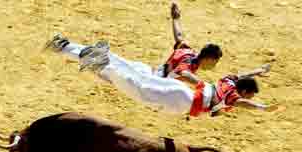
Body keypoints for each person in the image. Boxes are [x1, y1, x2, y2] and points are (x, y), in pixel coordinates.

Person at [44, 34, 279, 117]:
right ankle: (86, 55)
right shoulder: (233, 95)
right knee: (129, 83)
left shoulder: (228, 80)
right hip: (180, 99)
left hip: (177, 91)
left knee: (123, 73)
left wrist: (259, 71)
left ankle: (68, 46)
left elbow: (241, 75)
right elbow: (242, 102)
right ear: (245, 90)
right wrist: (262, 108)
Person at [155, 1, 222, 85]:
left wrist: (176, 18)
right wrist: (204, 86)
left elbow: (179, 37)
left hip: (160, 72)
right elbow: (184, 73)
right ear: (208, 59)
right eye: (214, 62)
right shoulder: (189, 64)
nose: (214, 66)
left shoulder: (188, 51)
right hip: (159, 83)